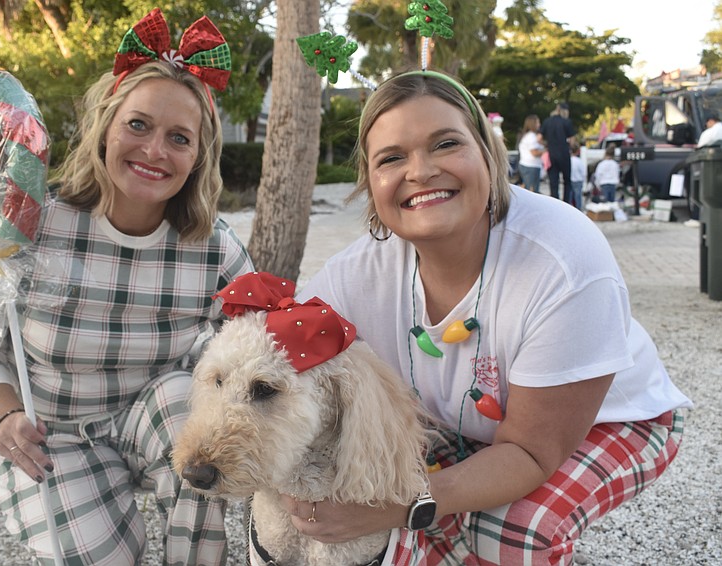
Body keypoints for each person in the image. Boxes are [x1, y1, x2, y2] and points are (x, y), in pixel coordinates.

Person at [287, 71, 692, 565]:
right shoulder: (355, 273)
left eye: (445, 143)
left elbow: (529, 451)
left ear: (489, 154)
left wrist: (395, 506)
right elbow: (278, 355)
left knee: (512, 532)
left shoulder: (561, 256)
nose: (419, 171)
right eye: (391, 158)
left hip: (613, 422)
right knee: (412, 539)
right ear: (372, 188)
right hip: (469, 429)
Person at [0, 9, 253, 566]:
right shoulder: (29, 223)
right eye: (138, 125)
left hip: (155, 418)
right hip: (50, 433)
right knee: (106, 555)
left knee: (192, 404)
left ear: (198, 157)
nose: (155, 150)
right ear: (105, 125)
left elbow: (256, 343)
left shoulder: (213, 247)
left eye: (178, 138)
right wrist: (5, 412)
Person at [540, 101, 576, 202]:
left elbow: (539, 138)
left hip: (551, 154)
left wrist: (547, 144)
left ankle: (555, 203)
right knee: (567, 181)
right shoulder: (567, 122)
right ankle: (566, 203)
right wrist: (569, 145)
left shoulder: (547, 121)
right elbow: (572, 140)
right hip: (564, 153)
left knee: (553, 182)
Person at [516, 114, 544, 193]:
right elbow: (534, 152)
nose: (539, 124)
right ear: (533, 124)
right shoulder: (531, 137)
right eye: (538, 122)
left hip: (528, 165)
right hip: (531, 166)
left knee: (530, 189)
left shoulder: (529, 136)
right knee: (532, 191)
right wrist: (545, 150)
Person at [569, 142, 586, 210]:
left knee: (570, 196)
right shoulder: (579, 161)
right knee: (578, 197)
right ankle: (578, 209)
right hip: (578, 180)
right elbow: (583, 172)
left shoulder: (569, 160)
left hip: (570, 180)